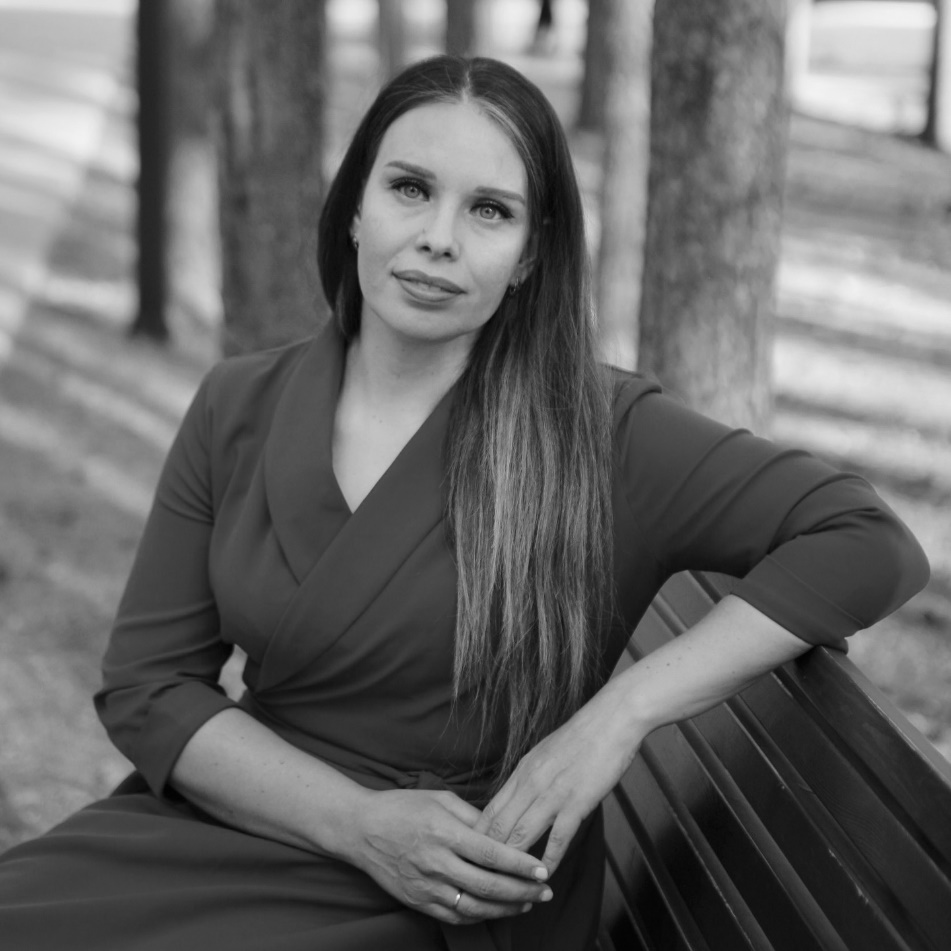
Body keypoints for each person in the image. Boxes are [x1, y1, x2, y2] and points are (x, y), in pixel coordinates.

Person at [0, 55, 930, 951]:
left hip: (450, 887)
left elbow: (865, 540)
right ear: (354, 208)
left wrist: (617, 715)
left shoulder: (601, 433)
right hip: (252, 817)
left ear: (529, 256)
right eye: (409, 189)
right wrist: (356, 823)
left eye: (489, 210)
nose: (438, 236)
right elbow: (149, 685)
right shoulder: (238, 403)